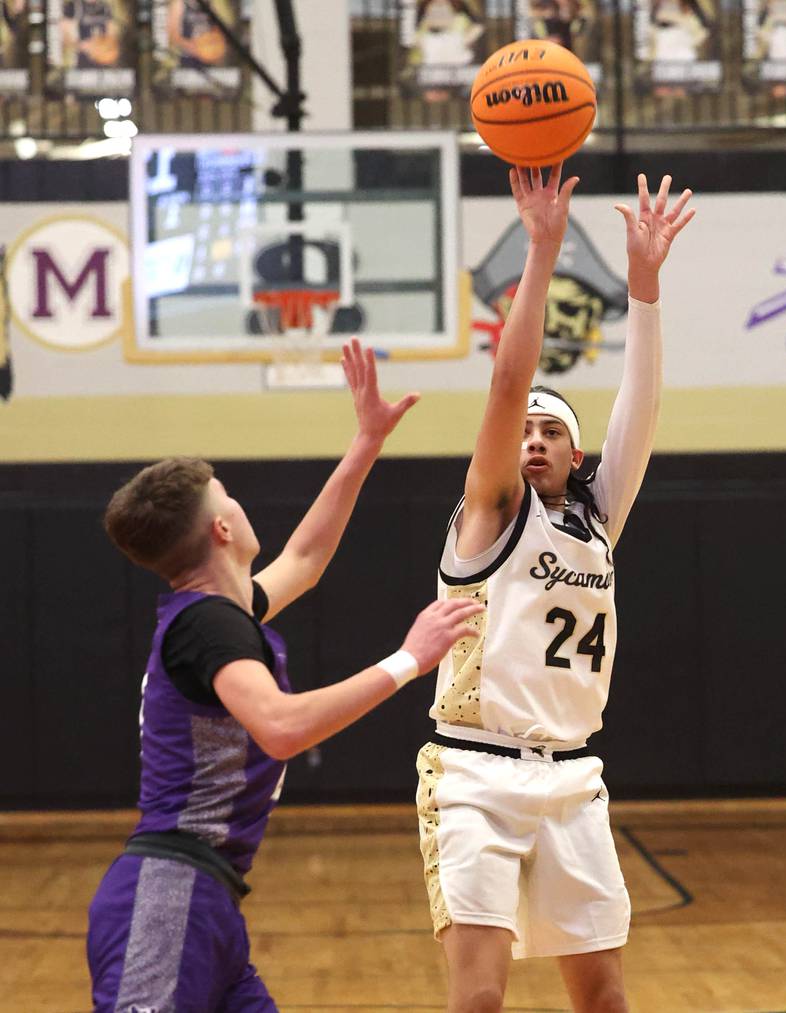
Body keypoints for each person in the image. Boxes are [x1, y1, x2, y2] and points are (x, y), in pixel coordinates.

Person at [87, 338, 484, 1013]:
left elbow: (306, 554)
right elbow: (279, 726)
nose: (240, 504)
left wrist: (366, 441)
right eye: (229, 495)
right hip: (167, 894)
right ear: (221, 527)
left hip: (207, 899)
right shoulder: (209, 626)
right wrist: (409, 658)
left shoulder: (221, 613)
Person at [416, 165, 695, 1012]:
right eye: (525, 430)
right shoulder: (490, 515)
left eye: (553, 431)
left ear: (576, 457)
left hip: (574, 777)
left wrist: (642, 291)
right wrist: (541, 252)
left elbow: (640, 414)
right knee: (480, 1000)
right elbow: (507, 384)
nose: (532, 438)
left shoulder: (594, 521)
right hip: (475, 772)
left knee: (606, 999)